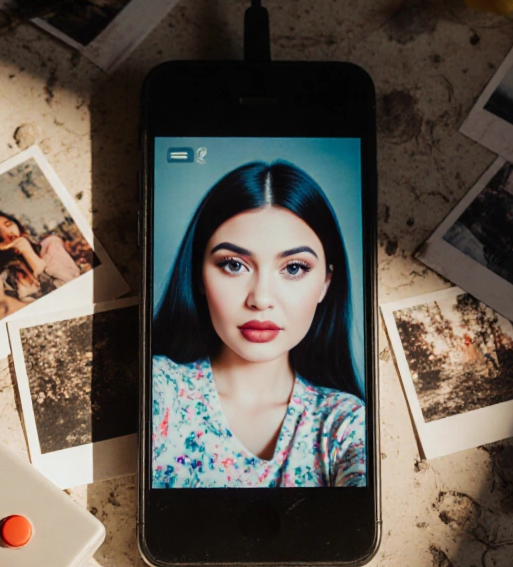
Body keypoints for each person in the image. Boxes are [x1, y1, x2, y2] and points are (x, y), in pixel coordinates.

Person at [152, 161, 366, 488]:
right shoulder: (159, 392)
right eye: (234, 265)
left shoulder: (344, 424)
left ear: (325, 283)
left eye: (294, 268)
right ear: (198, 275)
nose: (261, 298)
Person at [0, 210, 84, 302]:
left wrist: (27, 251)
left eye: (8, 225)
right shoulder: (9, 281)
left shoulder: (50, 246)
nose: (8, 234)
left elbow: (72, 288)